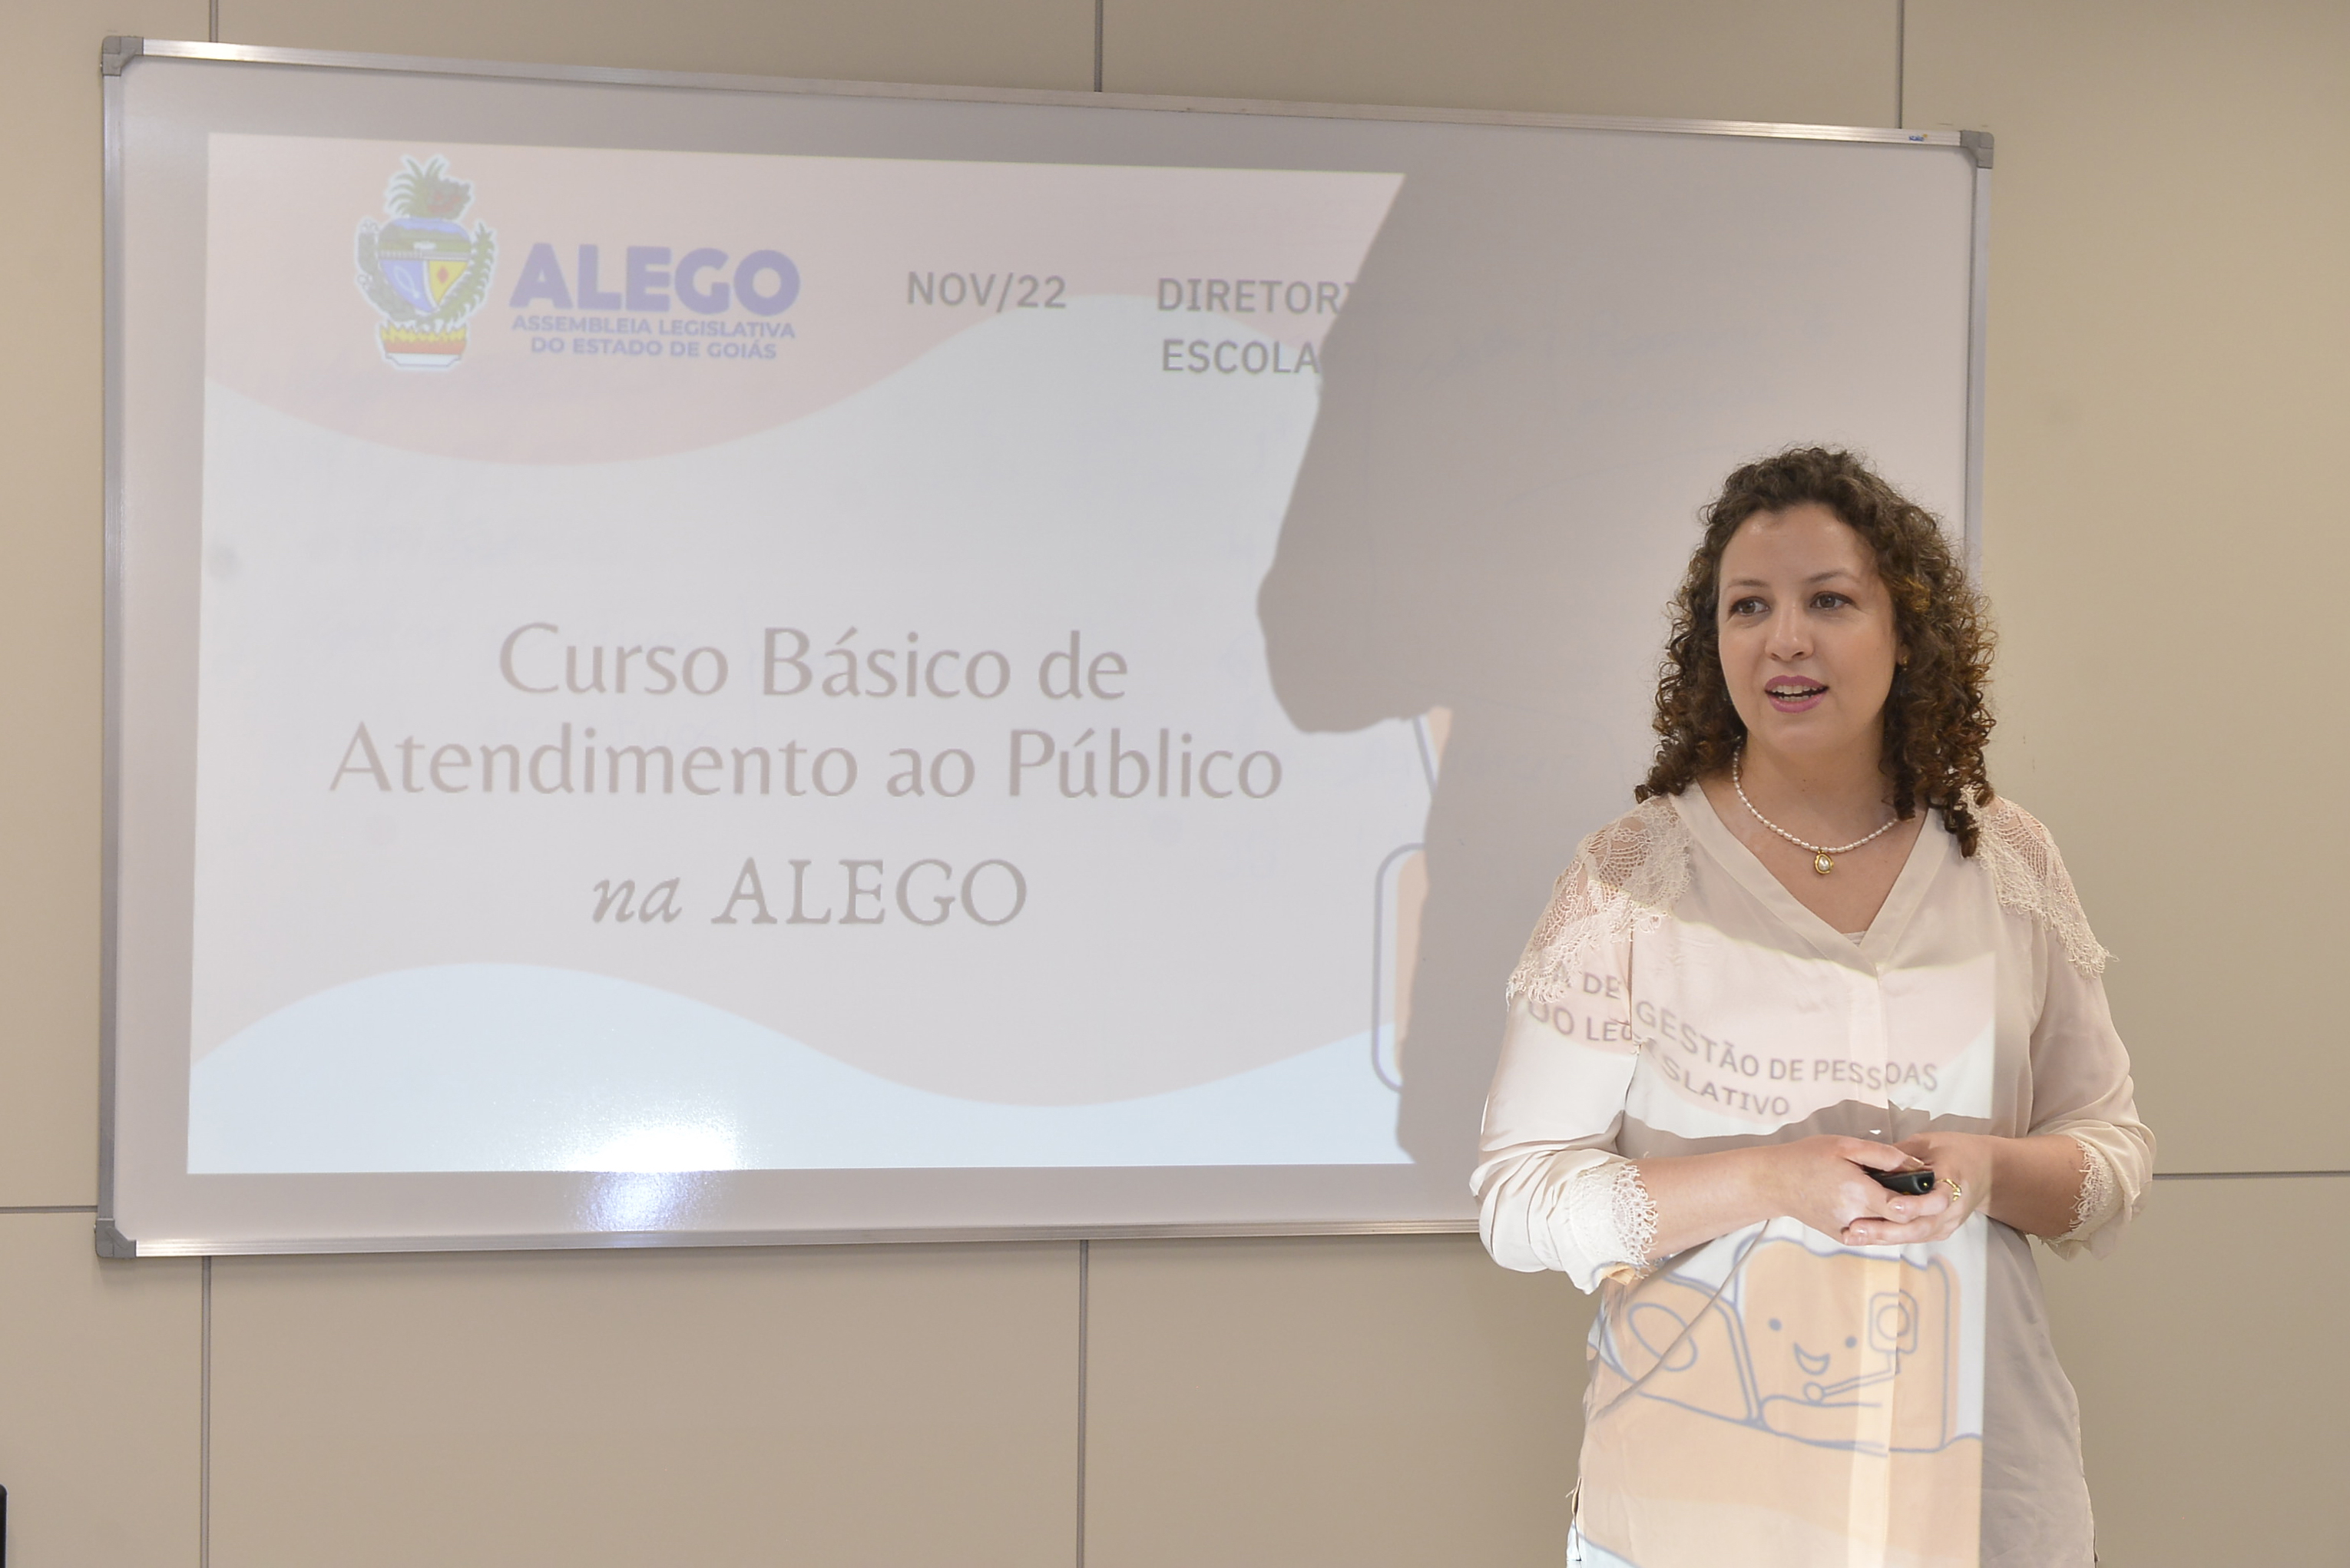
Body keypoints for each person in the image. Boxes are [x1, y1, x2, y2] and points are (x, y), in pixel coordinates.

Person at [1472, 448, 2153, 1567]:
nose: (1784, 639)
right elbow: (1520, 1198)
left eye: (1829, 601)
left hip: (1982, 1509)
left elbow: (2110, 1153)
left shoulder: (2007, 857)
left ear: (1906, 631)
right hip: (1700, 1515)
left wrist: (1983, 1171)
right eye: (1749, 607)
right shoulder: (1628, 876)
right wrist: (1772, 1181)